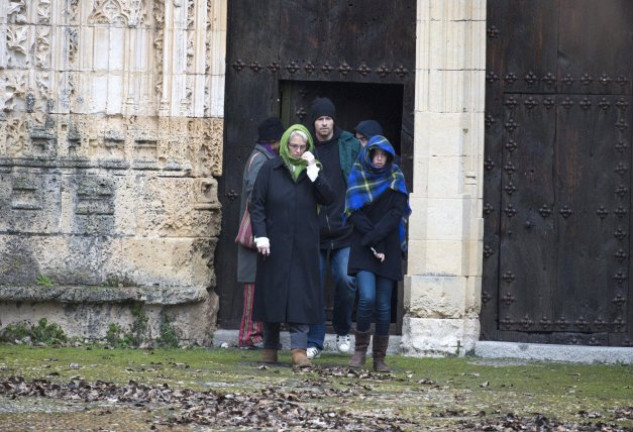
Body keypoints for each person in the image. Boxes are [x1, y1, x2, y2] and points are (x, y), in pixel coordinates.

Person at [249, 124, 334, 369]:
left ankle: (299, 350)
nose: (297, 151)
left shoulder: (312, 170)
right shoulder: (270, 168)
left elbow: (329, 199)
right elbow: (257, 205)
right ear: (286, 145)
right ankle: (270, 346)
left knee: (300, 297)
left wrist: (313, 173)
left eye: (302, 147)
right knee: (272, 295)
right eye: (293, 146)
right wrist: (261, 235)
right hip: (274, 242)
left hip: (303, 245)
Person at [344, 135, 411, 372]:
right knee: (367, 298)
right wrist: (372, 242)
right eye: (376, 154)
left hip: (387, 246)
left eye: (384, 155)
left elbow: (396, 214)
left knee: (383, 305)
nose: (380, 159)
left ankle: (379, 357)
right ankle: (360, 351)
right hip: (364, 247)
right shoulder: (358, 175)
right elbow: (354, 213)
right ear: (369, 155)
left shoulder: (396, 178)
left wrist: (377, 241)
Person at [306, 97, 362, 359]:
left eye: (328, 118)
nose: (324, 123)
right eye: (320, 119)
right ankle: (315, 340)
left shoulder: (348, 145)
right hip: (314, 230)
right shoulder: (305, 147)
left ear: (333, 120)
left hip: (344, 228)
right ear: (314, 122)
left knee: (346, 280)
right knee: (313, 285)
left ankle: (342, 330)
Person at [236, 117, 285, 349]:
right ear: (274, 140)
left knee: (257, 284)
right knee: (252, 286)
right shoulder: (260, 160)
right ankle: (248, 336)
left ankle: (256, 334)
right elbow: (256, 196)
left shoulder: (264, 157)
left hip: (262, 231)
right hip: (256, 232)